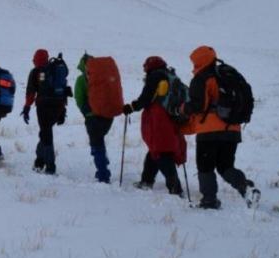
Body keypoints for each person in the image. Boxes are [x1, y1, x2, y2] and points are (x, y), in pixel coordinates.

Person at [185, 46, 254, 209]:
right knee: (225, 166)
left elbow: (198, 106)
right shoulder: (228, 75)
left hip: (208, 131)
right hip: (233, 129)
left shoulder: (202, 78)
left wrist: (183, 108)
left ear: (199, 60)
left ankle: (209, 200)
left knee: (205, 166)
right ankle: (246, 187)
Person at [122, 56, 185, 195]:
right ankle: (147, 181)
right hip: (169, 117)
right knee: (155, 150)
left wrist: (131, 107)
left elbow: (145, 98)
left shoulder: (155, 76)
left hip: (158, 118)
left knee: (161, 152)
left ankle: (176, 188)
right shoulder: (170, 75)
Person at [22, 49, 70, 175]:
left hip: (43, 107)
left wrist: (27, 108)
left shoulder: (36, 72)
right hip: (58, 106)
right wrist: (62, 110)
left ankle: (50, 166)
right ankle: (39, 162)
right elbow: (64, 89)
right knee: (45, 133)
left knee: (46, 135)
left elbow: (31, 92)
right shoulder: (55, 69)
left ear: (36, 59)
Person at [73, 54, 114, 183]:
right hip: (108, 115)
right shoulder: (104, 76)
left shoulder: (81, 80)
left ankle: (103, 175)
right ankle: (103, 163)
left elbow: (79, 100)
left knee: (97, 146)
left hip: (93, 117)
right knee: (99, 142)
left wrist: (87, 113)